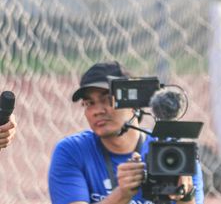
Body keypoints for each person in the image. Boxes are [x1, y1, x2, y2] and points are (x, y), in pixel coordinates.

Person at [48, 61, 204, 204]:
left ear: (134, 103)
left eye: (108, 99)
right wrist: (122, 194)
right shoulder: (72, 151)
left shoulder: (176, 154)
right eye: (89, 103)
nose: (97, 111)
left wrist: (186, 196)